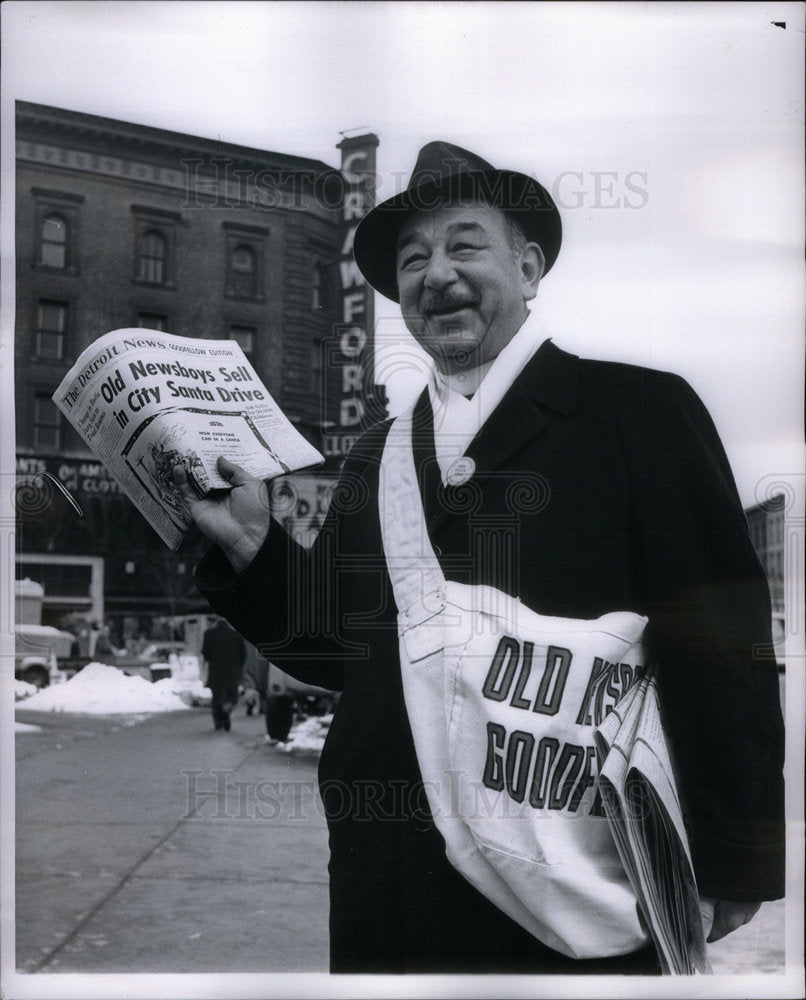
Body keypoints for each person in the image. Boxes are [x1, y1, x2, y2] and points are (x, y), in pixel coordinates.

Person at [176, 142, 784, 974]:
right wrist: (252, 546)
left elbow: (724, 645)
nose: (437, 275)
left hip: (581, 883)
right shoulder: (376, 455)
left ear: (529, 267)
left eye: (465, 246)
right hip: (386, 887)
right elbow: (343, 650)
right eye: (414, 260)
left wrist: (729, 855)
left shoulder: (637, 413)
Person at [200, 615, 246, 732]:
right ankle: (226, 711)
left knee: (217, 696)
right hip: (232, 671)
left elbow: (205, 653)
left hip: (215, 670)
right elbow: (243, 655)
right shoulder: (236, 635)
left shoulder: (209, 634)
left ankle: (218, 720)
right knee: (232, 696)